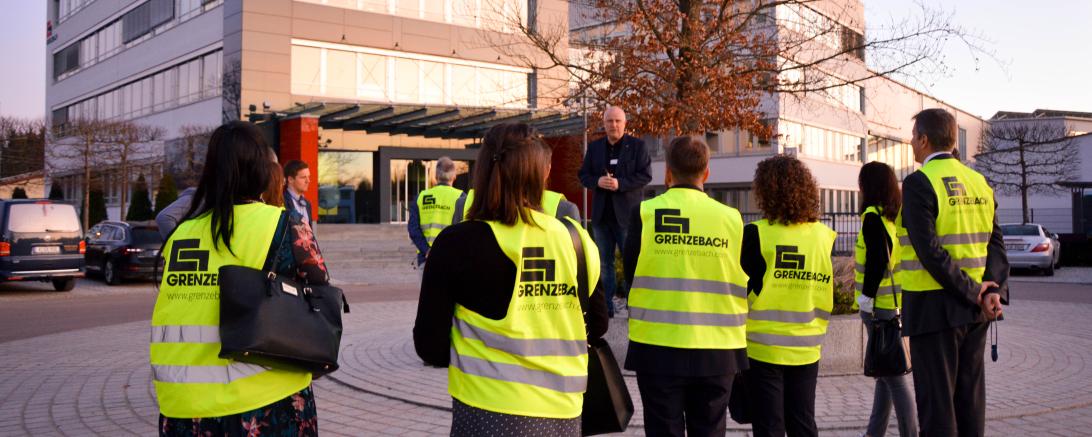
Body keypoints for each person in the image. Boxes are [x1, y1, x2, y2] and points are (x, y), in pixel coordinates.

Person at [413, 123, 609, 437]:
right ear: (543, 174)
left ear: (483, 171)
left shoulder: (455, 244)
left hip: (484, 411)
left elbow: (430, 346)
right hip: (564, 416)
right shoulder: (577, 240)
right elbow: (597, 327)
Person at [150, 121, 329, 436]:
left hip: (181, 408)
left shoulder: (182, 234)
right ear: (261, 169)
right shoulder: (284, 224)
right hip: (263, 402)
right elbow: (320, 287)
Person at [621, 136, 749, 437]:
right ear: (706, 173)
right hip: (718, 348)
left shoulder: (646, 213)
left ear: (668, 171)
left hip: (657, 347)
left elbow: (631, 275)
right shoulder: (732, 219)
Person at [895, 108, 1008, 437]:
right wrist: (989, 292)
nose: (911, 143)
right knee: (970, 405)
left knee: (937, 410)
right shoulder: (979, 182)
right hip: (974, 313)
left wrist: (975, 291)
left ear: (925, 140)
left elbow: (929, 251)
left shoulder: (919, 183)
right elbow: (996, 245)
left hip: (933, 312)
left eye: (914, 137)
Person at [741, 155, 835, 437]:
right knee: (803, 423)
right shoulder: (823, 236)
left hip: (763, 346)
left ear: (766, 192)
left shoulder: (755, 235)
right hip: (807, 346)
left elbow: (740, 291)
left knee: (769, 426)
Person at [855, 162, 917, 437]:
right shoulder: (892, 218)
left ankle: (911, 433)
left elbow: (879, 259)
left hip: (879, 309)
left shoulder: (871, 217)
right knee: (886, 372)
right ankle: (874, 433)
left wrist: (866, 298)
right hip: (894, 306)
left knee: (894, 377)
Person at [578, 106, 651, 316]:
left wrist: (621, 184)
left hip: (627, 217)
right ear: (604, 123)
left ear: (625, 123)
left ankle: (633, 308)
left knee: (631, 262)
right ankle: (606, 310)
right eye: (610, 121)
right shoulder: (594, 148)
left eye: (618, 121)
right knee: (604, 264)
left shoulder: (638, 147)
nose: (614, 125)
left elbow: (645, 176)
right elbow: (583, 175)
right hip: (601, 217)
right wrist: (596, 181)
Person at [407, 157, 464, 269]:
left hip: (426, 259)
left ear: (436, 176)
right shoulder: (462, 198)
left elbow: (413, 229)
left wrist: (427, 250)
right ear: (454, 176)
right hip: (452, 259)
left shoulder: (421, 197)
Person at [284, 160, 314, 229]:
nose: (308, 181)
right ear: (290, 179)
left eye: (308, 177)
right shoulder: (281, 201)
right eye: (303, 177)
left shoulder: (307, 204)